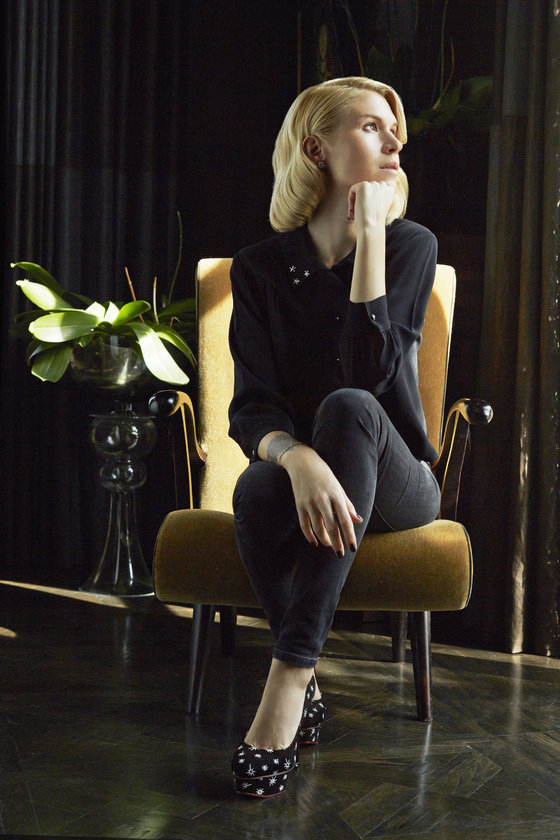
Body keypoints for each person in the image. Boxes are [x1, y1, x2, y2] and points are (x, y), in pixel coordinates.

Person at [228, 76, 441, 798]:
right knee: (257, 487)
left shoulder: (409, 244)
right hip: (312, 477)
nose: (396, 140)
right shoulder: (258, 269)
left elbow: (370, 379)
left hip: (400, 481)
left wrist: (372, 236)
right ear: (317, 148)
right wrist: (298, 459)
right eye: (373, 126)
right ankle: (307, 679)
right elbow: (251, 408)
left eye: (395, 128)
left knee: (349, 404)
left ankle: (290, 676)